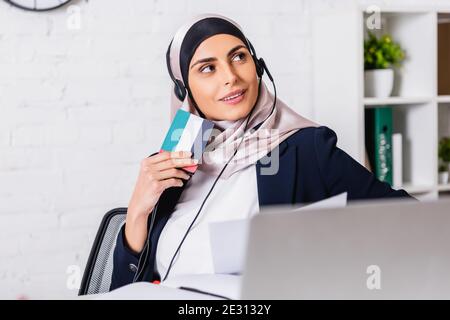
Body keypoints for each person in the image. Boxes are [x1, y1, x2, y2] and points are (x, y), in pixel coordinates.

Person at [110, 13, 415, 291]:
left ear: (258, 67)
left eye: (239, 57)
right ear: (183, 90)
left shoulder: (306, 149)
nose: (230, 76)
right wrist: (138, 212)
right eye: (207, 68)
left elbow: (407, 220)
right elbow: (123, 289)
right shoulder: (173, 162)